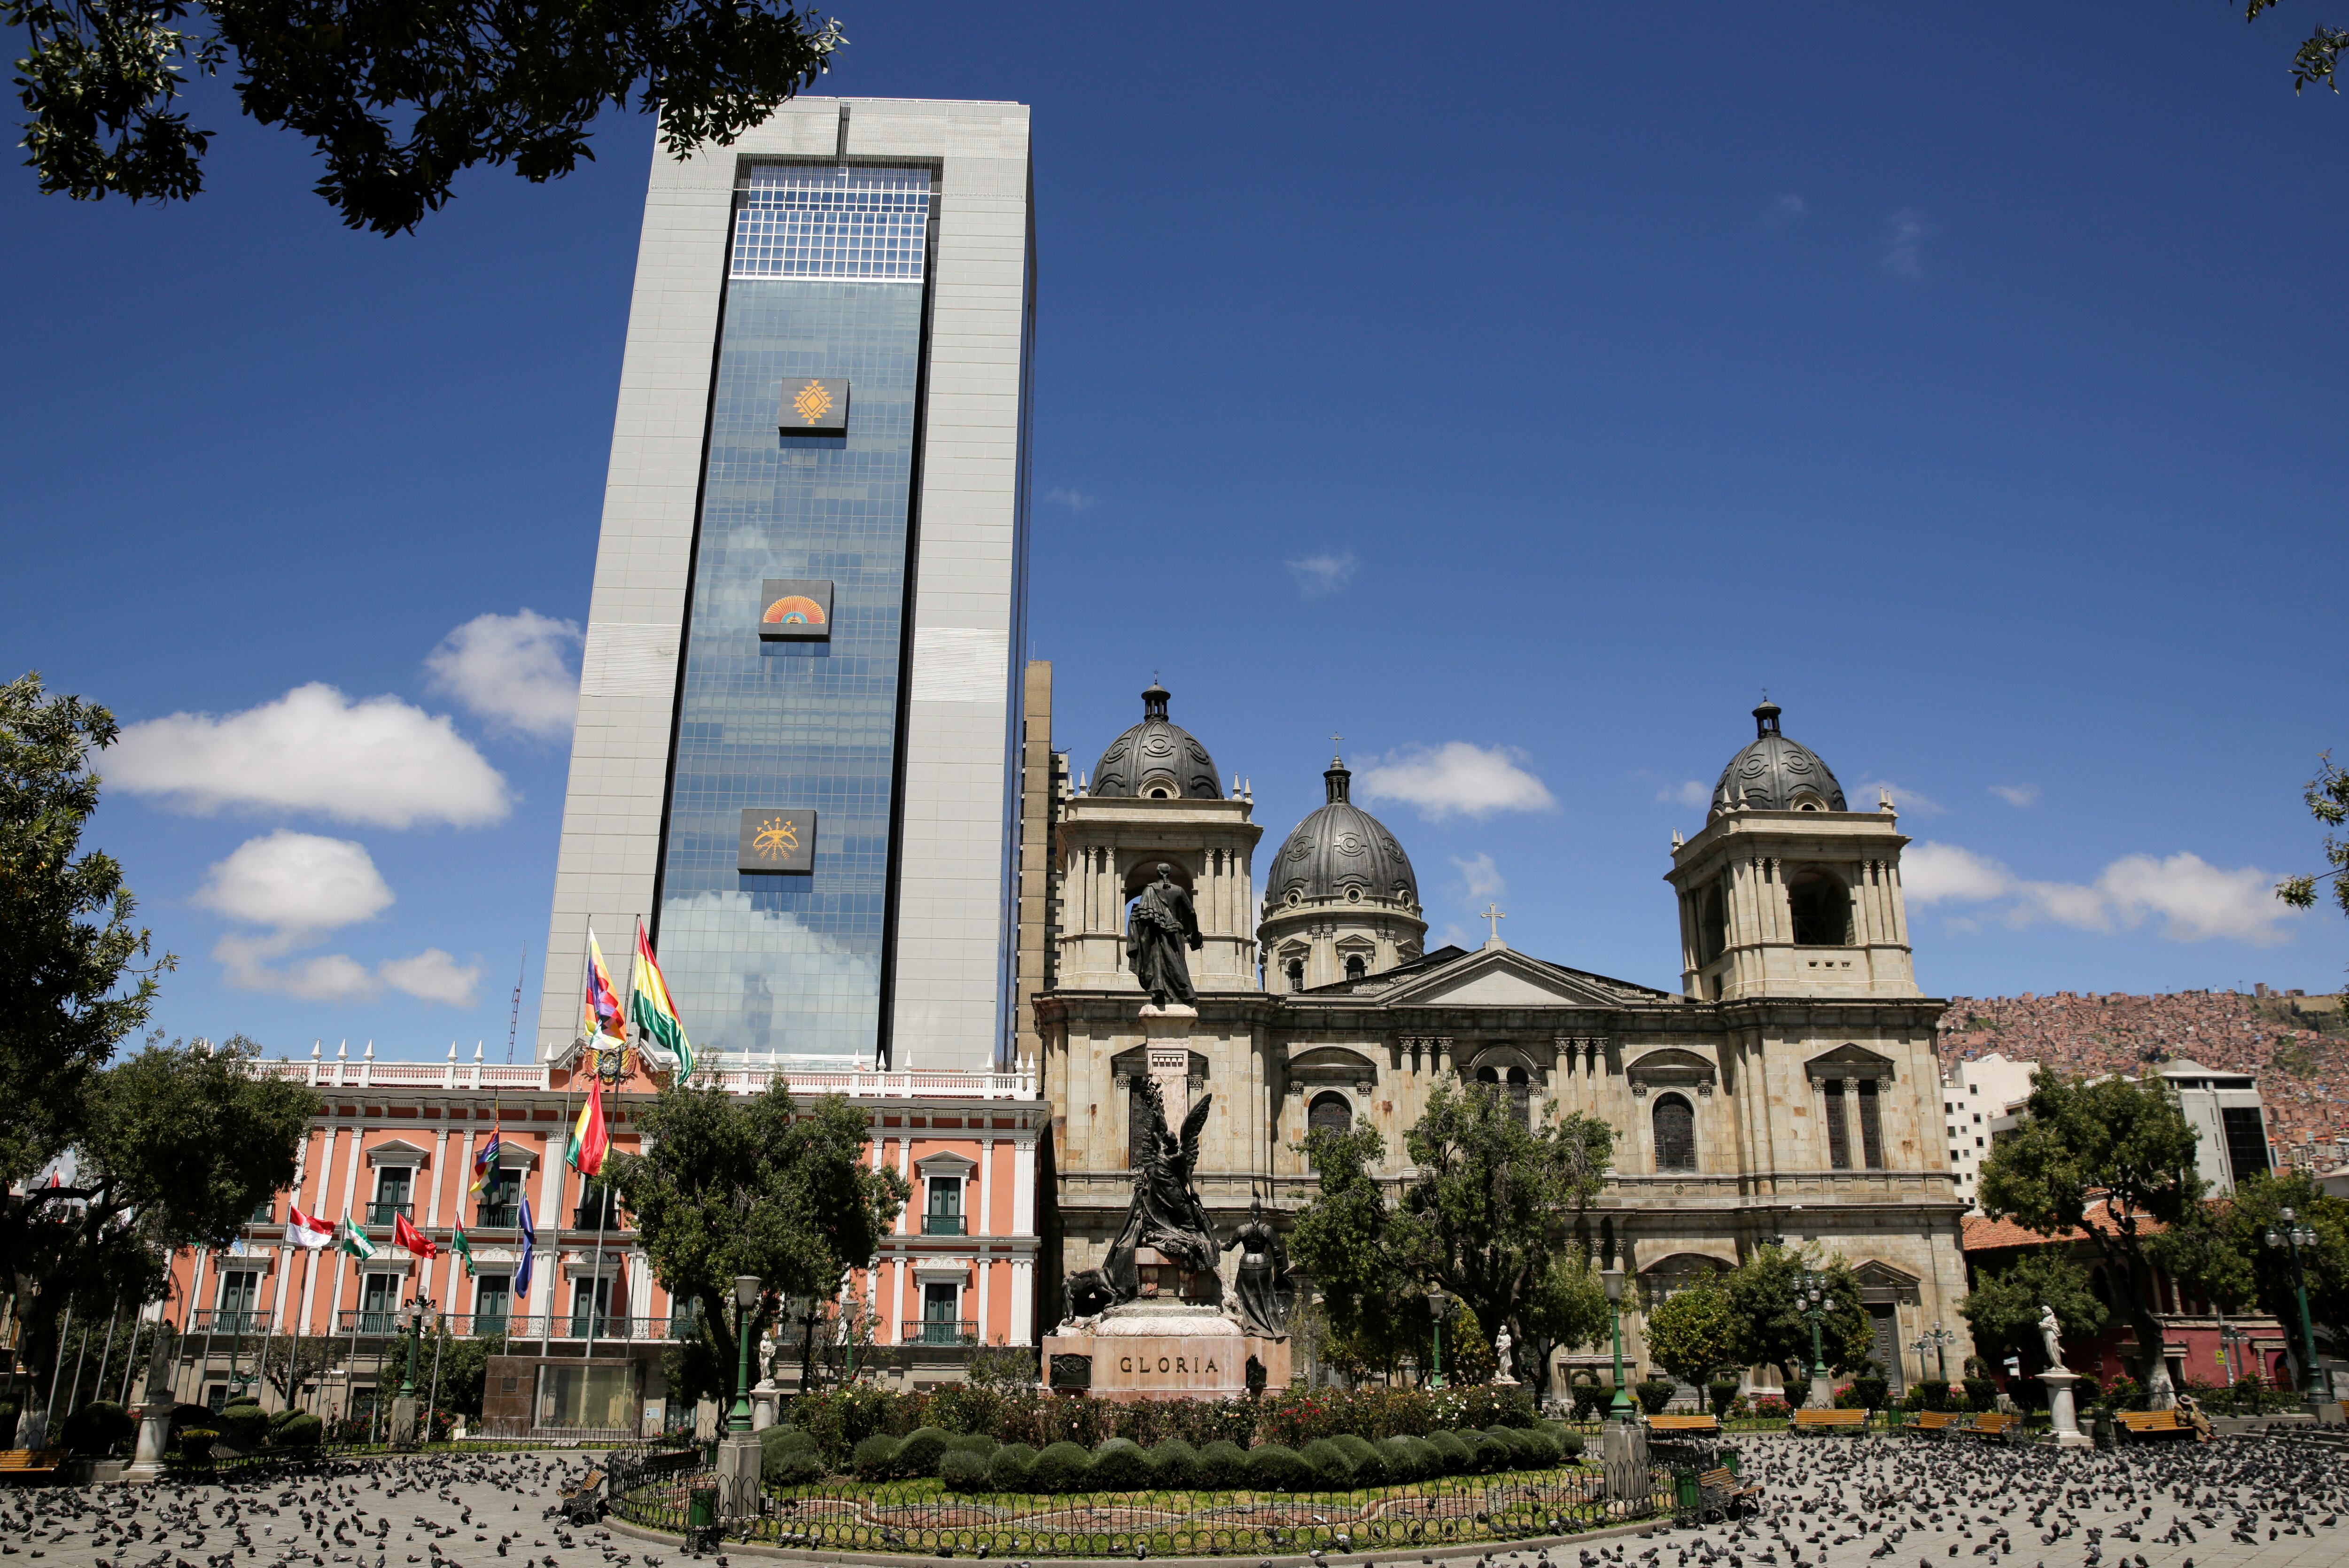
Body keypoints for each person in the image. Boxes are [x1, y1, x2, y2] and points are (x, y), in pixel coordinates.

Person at [1126, 864, 1202, 1006]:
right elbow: (1192, 913)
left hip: (1157, 934)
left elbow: (1142, 916)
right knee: (1177, 964)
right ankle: (1185, 993)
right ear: (1169, 874)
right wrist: (1195, 934)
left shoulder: (1149, 890)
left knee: (1158, 963)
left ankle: (1159, 989)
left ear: (1158, 874)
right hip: (1176, 933)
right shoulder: (1179, 891)